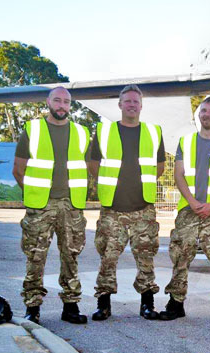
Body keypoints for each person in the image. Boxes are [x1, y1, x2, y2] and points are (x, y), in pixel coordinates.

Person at [13, 86, 90, 324]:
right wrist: (36, 195)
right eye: (57, 100)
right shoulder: (33, 129)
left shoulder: (81, 132)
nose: (61, 106)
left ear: (70, 105)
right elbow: (18, 169)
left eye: (66, 102)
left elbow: (86, 167)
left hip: (71, 205)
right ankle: (33, 307)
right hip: (41, 206)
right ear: (48, 102)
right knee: (36, 257)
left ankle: (71, 306)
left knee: (71, 256)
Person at [89, 85, 165, 321]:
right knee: (108, 257)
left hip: (143, 207)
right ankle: (104, 304)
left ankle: (147, 304)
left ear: (141, 106)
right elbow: (93, 164)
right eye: (127, 101)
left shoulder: (153, 132)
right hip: (113, 207)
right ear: (120, 105)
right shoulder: (104, 131)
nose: (131, 105)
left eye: (135, 101)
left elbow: (160, 167)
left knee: (146, 257)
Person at [162, 97, 210, 324]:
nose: (207, 114)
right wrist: (192, 202)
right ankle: (176, 302)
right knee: (180, 254)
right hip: (189, 207)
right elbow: (178, 175)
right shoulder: (185, 142)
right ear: (198, 115)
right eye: (203, 110)